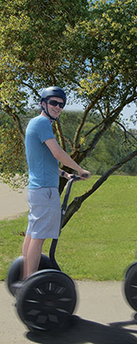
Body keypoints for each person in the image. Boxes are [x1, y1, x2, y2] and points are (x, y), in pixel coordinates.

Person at [22, 86, 91, 280]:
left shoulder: (35, 124)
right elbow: (57, 153)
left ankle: (24, 278)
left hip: (38, 188)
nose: (58, 107)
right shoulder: (43, 123)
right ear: (43, 103)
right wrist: (79, 169)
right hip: (45, 191)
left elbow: (42, 160)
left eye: (61, 104)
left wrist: (64, 174)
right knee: (38, 237)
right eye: (54, 102)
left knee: (31, 233)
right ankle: (30, 282)